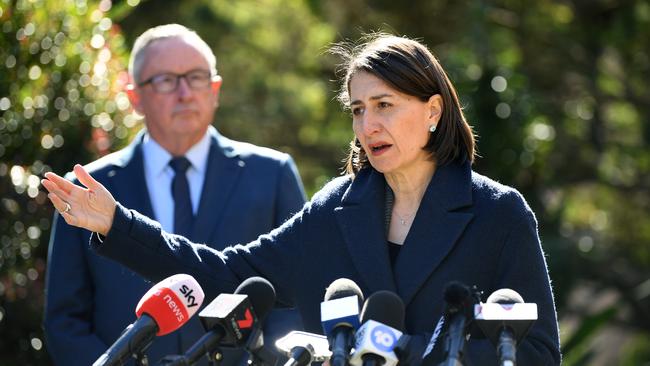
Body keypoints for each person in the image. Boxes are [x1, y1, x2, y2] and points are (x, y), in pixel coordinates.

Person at [43, 33, 561, 365]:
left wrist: (409, 353)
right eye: (358, 109)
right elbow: (226, 275)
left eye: (385, 105)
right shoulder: (338, 208)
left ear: (433, 111)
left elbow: (538, 352)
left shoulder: (499, 213)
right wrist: (118, 224)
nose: (368, 124)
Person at [43, 24, 306, 366]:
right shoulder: (87, 188)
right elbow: (65, 321)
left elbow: (298, 294)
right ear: (135, 97)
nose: (184, 92)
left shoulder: (272, 174)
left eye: (196, 77)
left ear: (215, 89)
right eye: (166, 80)